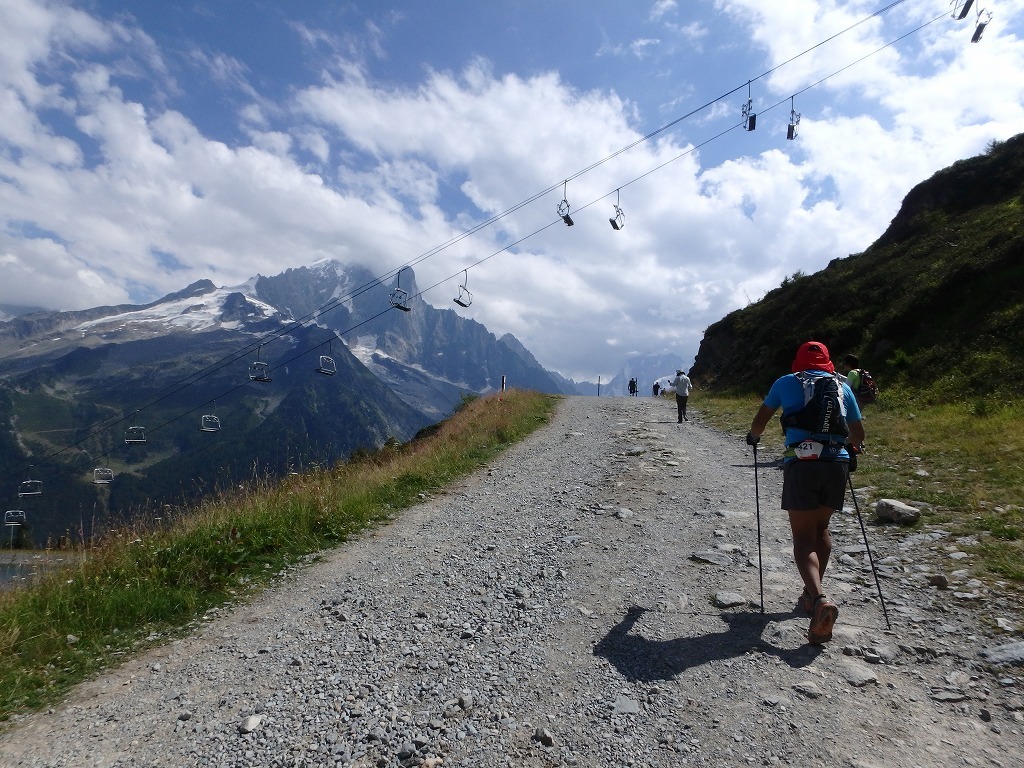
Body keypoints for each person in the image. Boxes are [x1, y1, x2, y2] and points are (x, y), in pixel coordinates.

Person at [745, 341, 865, 645]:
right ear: (828, 362)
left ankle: (820, 599)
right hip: (836, 463)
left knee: (802, 538)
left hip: (801, 463)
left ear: (797, 361)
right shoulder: (842, 385)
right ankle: (811, 598)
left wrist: (753, 437)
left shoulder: (786, 382)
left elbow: (760, 421)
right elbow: (858, 435)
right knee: (821, 528)